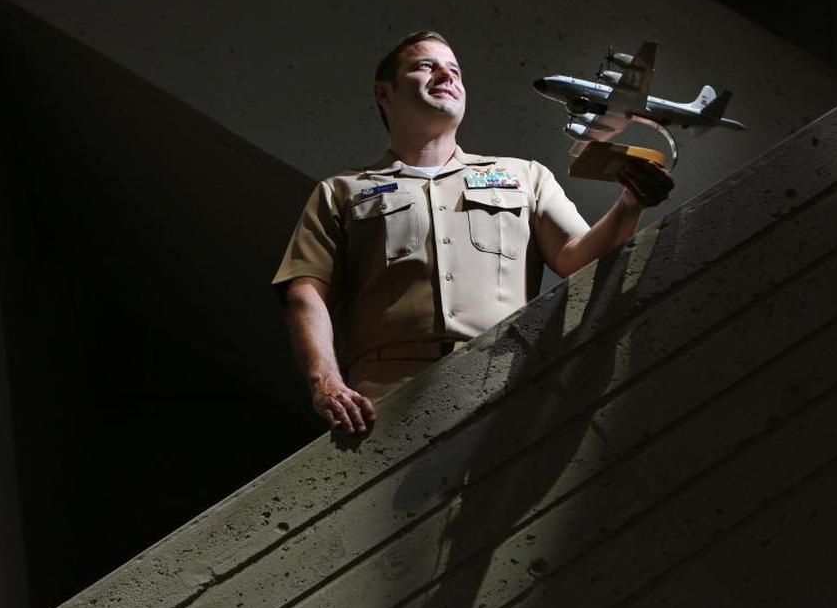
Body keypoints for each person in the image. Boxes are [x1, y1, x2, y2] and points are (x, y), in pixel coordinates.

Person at [273, 31, 673, 434]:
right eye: (425, 66)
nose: (446, 75)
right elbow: (305, 291)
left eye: (455, 70)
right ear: (384, 93)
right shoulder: (342, 191)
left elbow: (579, 258)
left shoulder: (524, 176)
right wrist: (325, 382)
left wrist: (630, 204)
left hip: (504, 387)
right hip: (382, 400)